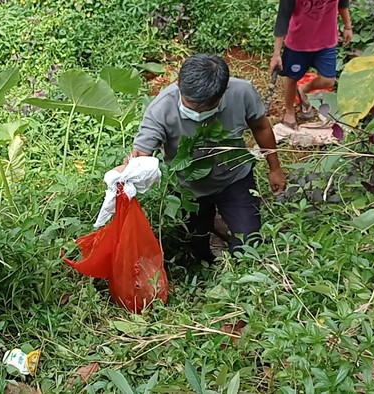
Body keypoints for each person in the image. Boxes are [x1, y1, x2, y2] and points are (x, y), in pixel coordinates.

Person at [125, 54, 286, 262]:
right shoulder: (161, 109)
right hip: (187, 187)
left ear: (223, 92)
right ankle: (208, 242)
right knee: (194, 246)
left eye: (205, 108)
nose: (197, 112)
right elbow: (141, 153)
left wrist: (275, 168)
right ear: (179, 84)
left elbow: (261, 126)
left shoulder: (242, 92)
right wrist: (125, 175)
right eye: (190, 105)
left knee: (249, 244)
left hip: (234, 178)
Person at [269, 0, 353, 129]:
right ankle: (290, 111)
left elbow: (342, 4)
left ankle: (304, 89)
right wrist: (276, 54)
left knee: (328, 81)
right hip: (298, 44)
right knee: (292, 78)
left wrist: (348, 26)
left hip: (326, 42)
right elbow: (283, 18)